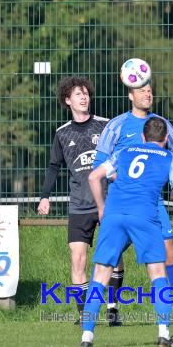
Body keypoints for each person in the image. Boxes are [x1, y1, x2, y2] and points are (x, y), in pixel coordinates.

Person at [82, 117, 173, 347]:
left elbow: (93, 176)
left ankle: (87, 337)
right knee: (158, 272)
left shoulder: (125, 151)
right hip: (145, 215)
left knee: (100, 273)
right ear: (166, 138)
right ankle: (163, 334)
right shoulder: (170, 158)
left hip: (114, 213)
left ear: (142, 137)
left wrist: (101, 208)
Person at [37, 76, 116, 323]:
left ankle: (112, 307)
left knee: (113, 256)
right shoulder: (62, 133)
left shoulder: (105, 126)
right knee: (77, 257)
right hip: (79, 204)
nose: (84, 98)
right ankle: (85, 314)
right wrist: (45, 197)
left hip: (108, 203)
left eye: (86, 94)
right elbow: (53, 166)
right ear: (67, 100)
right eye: (78, 94)